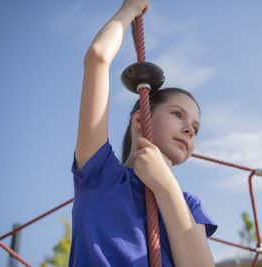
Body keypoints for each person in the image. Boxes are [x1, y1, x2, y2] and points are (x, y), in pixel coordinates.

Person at [69, 0, 217, 266]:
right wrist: (129, 9)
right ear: (141, 117)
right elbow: (97, 58)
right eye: (177, 114)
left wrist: (165, 186)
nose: (188, 129)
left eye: (195, 128)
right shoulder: (100, 175)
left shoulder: (189, 205)